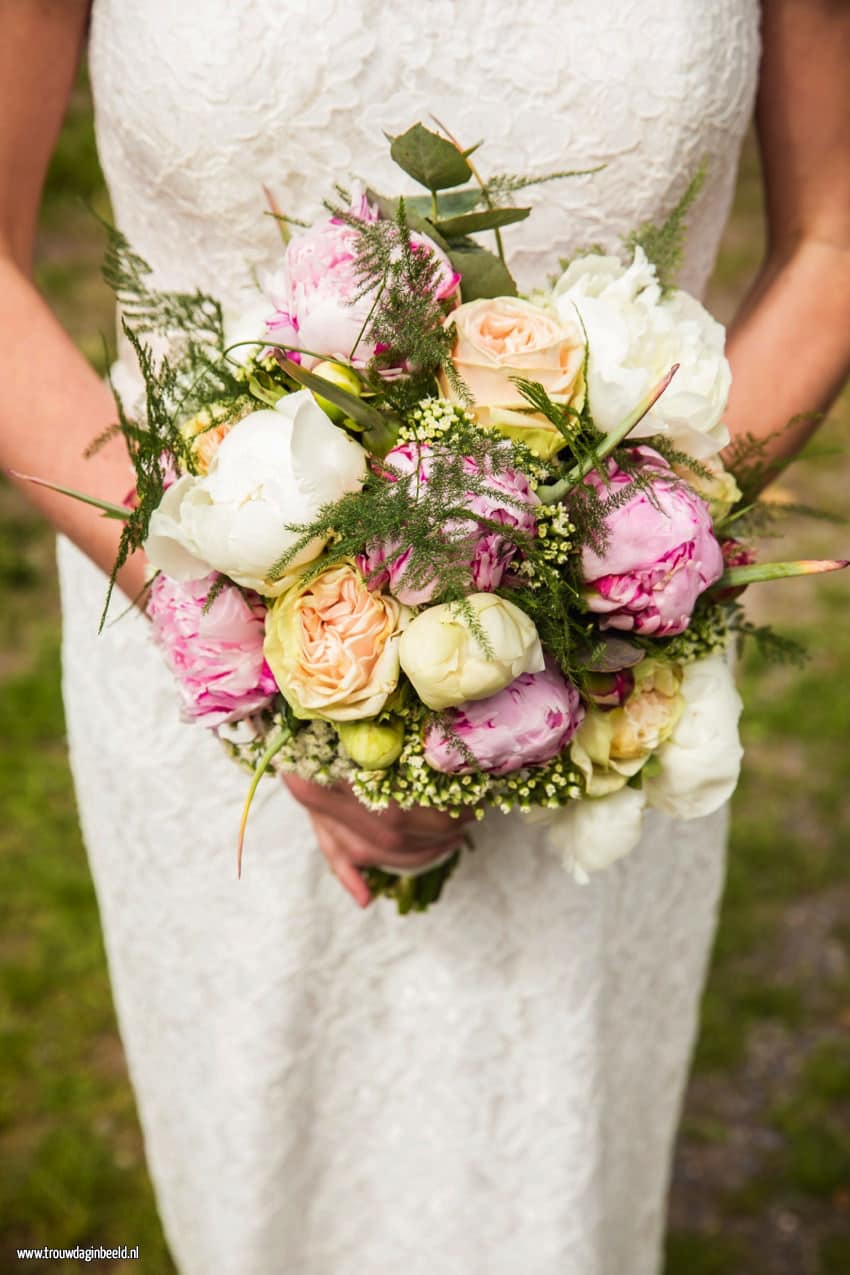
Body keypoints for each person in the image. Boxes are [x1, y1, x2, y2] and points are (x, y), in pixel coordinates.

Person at [2, 2, 849, 1272]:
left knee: (556, 1174)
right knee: (257, 1169)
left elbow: (835, 231)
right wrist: (259, 640)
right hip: (180, 609)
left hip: (611, 666)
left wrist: (619, 572)